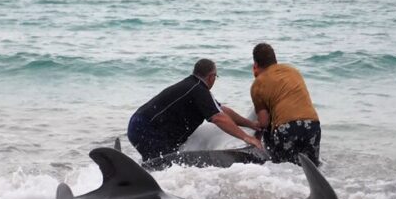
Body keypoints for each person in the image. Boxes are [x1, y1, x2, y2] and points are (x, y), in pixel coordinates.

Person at [127, 59, 263, 162]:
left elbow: (222, 111)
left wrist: (250, 124)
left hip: (140, 125)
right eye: (216, 77)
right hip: (145, 128)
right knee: (163, 165)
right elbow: (218, 118)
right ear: (211, 77)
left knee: (160, 163)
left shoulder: (194, 87)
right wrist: (247, 138)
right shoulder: (198, 90)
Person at [249, 43, 321, 166]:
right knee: (311, 170)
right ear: (275, 60)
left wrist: (255, 139)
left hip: (287, 128)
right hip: (313, 124)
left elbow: (264, 122)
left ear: (255, 65)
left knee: (285, 169)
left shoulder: (258, 84)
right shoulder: (293, 71)